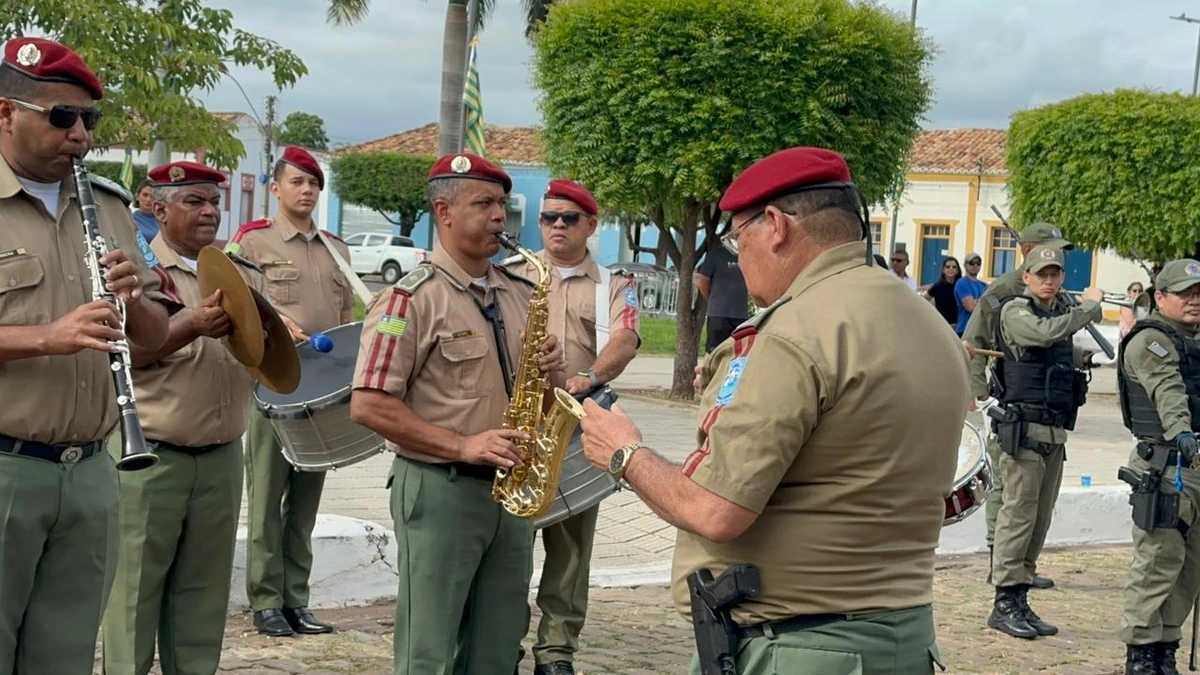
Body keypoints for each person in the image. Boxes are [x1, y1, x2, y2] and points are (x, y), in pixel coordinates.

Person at [579, 147, 969, 674]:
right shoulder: (928, 323)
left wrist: (623, 452)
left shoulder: (794, 332)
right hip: (903, 639)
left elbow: (714, 509)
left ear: (777, 227)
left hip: (801, 648)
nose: (739, 258)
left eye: (739, 239)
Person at [349, 152, 567, 675]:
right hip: (441, 486)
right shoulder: (408, 300)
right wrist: (463, 445)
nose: (499, 216)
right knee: (429, 648)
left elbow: (535, 393)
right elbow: (369, 404)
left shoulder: (520, 291)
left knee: (496, 646)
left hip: (511, 492)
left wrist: (553, 370)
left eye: (502, 204)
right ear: (444, 212)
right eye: (484, 204)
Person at [0, 36, 178, 674]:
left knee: (65, 657)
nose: (80, 134)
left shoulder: (110, 206)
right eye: (61, 117)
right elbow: (50, 336)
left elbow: (155, 339)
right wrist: (46, 337)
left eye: (89, 120)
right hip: (6, 465)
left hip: (93, 471)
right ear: (5, 113)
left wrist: (136, 301)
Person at [102, 161, 265, 675]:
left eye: (215, 202)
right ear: (157, 207)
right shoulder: (134, 271)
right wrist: (190, 325)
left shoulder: (239, 272)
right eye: (194, 201)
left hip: (220, 455)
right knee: (133, 595)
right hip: (152, 455)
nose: (209, 211)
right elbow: (122, 355)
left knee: (203, 595)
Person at [507, 179, 640, 675]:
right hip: (519, 425)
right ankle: (504, 640)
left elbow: (625, 338)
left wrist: (588, 377)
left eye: (568, 218)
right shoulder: (511, 274)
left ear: (590, 225)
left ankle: (556, 651)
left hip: (576, 425)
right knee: (510, 544)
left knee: (571, 550)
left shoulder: (614, 283)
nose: (556, 226)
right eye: (548, 218)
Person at [225, 145, 353, 636]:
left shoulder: (336, 249)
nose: (306, 191)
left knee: (305, 501)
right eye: (296, 182)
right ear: (275, 188)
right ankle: (265, 600)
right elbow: (234, 306)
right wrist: (274, 321)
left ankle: (297, 598)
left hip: (321, 392)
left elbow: (346, 322)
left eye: (313, 184)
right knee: (267, 496)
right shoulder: (252, 244)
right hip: (273, 386)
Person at [985, 246, 1101, 640]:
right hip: (1025, 433)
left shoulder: (1057, 314)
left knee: (1040, 518)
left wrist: (1078, 358)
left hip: (1054, 432)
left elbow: (1056, 346)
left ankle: (1021, 595)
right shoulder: (1016, 311)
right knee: (1018, 515)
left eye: (1056, 274)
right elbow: (1040, 334)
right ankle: (1004, 601)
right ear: (1028, 277)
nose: (1050, 280)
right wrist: (1088, 309)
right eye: (1042, 274)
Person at [961, 222, 1073, 589]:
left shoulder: (1056, 293)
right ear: (1028, 251)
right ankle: (1000, 560)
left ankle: (1024, 566)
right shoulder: (1004, 290)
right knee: (1008, 489)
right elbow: (974, 341)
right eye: (1048, 249)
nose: (1056, 260)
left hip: (1048, 407)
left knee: (1039, 500)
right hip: (1009, 398)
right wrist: (979, 394)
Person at [1116, 259, 1200, 675]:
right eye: (1185, 293)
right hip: (1168, 466)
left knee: (1190, 567)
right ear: (1160, 297)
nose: (1195, 300)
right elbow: (1168, 390)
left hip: (1195, 466)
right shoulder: (1150, 342)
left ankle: (1166, 646)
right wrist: (1183, 433)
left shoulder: (1194, 339)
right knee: (1157, 563)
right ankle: (1141, 653)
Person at [696, 241, 749, 353]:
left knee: (738, 352)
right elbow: (703, 280)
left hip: (741, 314)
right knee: (714, 352)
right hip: (718, 314)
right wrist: (711, 298)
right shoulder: (715, 254)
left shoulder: (747, 255)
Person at [954, 252, 987, 337]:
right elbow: (971, 307)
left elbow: (994, 305)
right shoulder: (962, 283)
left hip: (981, 331)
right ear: (965, 265)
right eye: (972, 263)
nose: (975, 265)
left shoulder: (984, 285)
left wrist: (977, 301)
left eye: (978, 263)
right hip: (965, 329)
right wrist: (985, 302)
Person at [923, 255, 961, 327]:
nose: (951, 269)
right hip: (942, 326)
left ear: (957, 271)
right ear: (943, 270)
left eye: (954, 267)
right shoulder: (938, 286)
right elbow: (923, 301)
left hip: (959, 326)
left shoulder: (961, 286)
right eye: (947, 266)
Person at [132, 177, 158, 242]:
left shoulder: (163, 220)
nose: (148, 199)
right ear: (137, 196)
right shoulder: (131, 220)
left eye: (152, 196)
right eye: (145, 195)